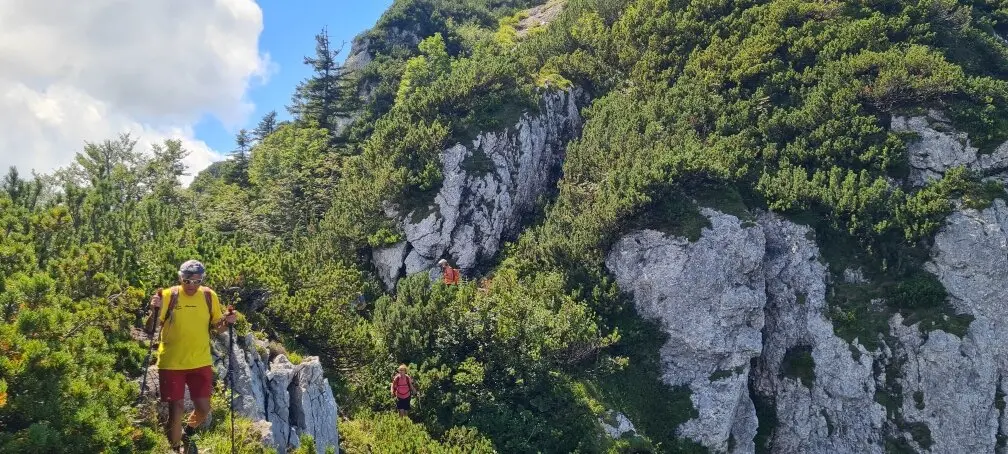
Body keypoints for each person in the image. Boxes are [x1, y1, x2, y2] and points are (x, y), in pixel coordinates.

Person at [144, 260, 237, 453]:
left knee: (204, 409)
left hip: (200, 361)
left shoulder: (209, 296)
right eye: (187, 280)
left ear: (202, 279)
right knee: (176, 408)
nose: (192, 285)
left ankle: (188, 432)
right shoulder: (169, 296)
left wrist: (227, 322)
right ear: (180, 278)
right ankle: (176, 448)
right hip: (171, 362)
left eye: (197, 281)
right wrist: (154, 309)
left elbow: (217, 328)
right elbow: (149, 328)